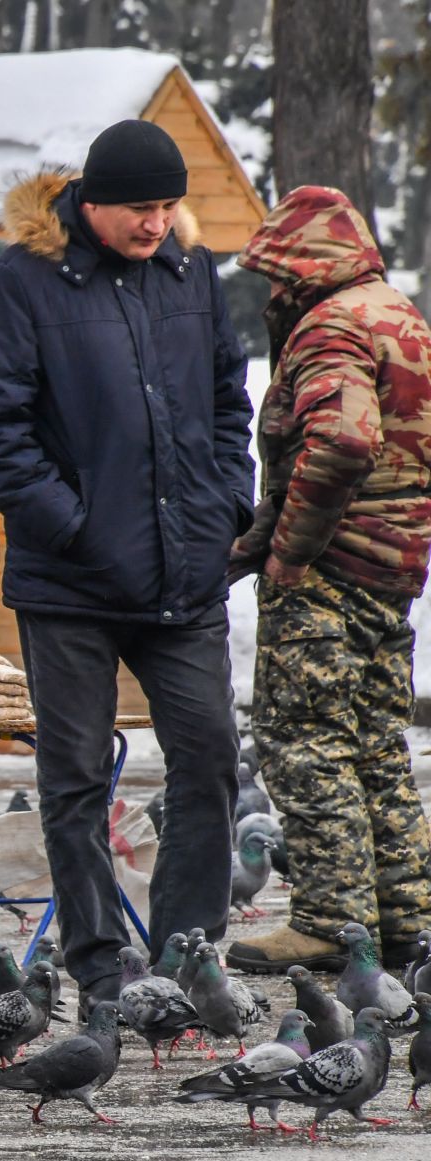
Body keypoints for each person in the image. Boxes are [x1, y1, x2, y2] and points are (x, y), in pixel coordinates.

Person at [0, 120, 255, 1010]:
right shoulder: (20, 283)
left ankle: (187, 957)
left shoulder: (192, 275)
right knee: (76, 778)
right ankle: (97, 965)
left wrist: (227, 507)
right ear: (91, 202)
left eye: (168, 206)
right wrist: (75, 528)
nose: (157, 223)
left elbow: (228, 403)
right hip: (72, 584)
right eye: (140, 208)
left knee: (209, 757)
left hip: (187, 572)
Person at [224, 186, 431, 974]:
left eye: (279, 275)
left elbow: (344, 442)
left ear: (306, 267)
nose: (273, 292)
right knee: (377, 744)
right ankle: (405, 917)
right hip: (395, 567)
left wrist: (289, 553)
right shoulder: (398, 314)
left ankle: (328, 919)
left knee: (305, 743)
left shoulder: (330, 326)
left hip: (334, 574)